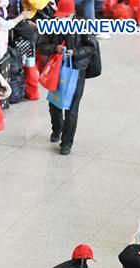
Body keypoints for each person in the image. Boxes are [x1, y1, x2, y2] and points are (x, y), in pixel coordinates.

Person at [38, 0, 98, 155]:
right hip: (56, 70)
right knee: (54, 104)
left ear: (73, 14)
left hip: (77, 71)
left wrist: (75, 53)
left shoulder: (83, 26)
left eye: (65, 16)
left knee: (72, 109)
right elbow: (41, 45)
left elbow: (91, 47)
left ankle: (67, 143)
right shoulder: (53, 25)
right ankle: (57, 129)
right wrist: (55, 48)